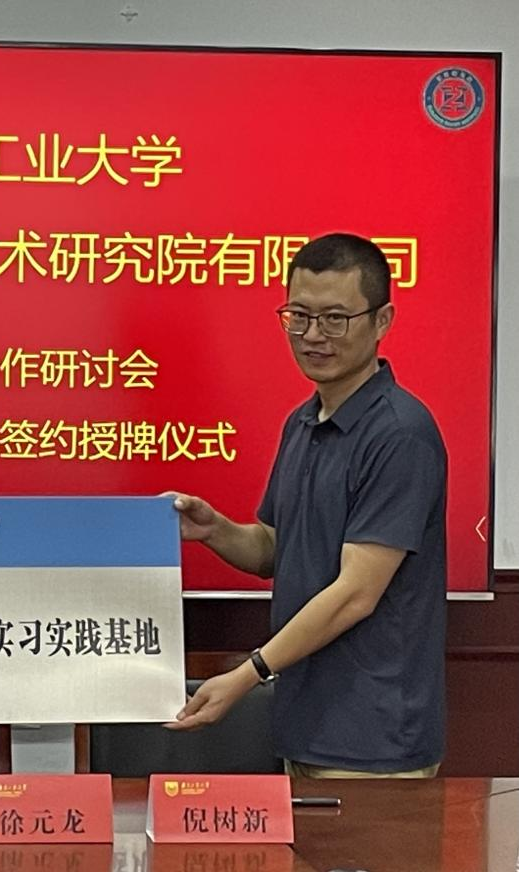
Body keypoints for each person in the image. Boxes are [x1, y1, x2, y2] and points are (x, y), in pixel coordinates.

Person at [168, 233, 447, 778]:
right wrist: (214, 529)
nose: (313, 336)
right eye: (299, 316)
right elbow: (275, 548)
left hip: (372, 741)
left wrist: (248, 674)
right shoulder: (303, 422)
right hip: (304, 726)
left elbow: (355, 594)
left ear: (382, 320)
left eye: (335, 319)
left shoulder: (400, 434)